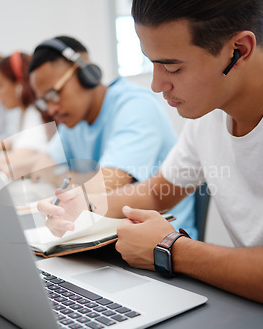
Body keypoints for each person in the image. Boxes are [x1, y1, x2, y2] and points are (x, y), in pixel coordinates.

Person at [38, 0, 263, 308]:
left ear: (238, 50)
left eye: (172, 67)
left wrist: (173, 249)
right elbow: (157, 190)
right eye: (152, 62)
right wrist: (84, 204)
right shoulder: (210, 116)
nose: (156, 84)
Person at [29, 35, 197, 238]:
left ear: (86, 72)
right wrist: (73, 180)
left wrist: (68, 179)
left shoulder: (135, 106)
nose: (51, 109)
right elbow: (40, 169)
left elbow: (105, 188)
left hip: (162, 242)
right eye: (44, 102)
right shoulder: (72, 121)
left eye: (53, 95)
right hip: (104, 236)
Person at [0, 51, 49, 175]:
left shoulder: (35, 114)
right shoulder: (25, 113)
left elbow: (12, 162)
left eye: (0, 85)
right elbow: (13, 142)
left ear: (19, 86)